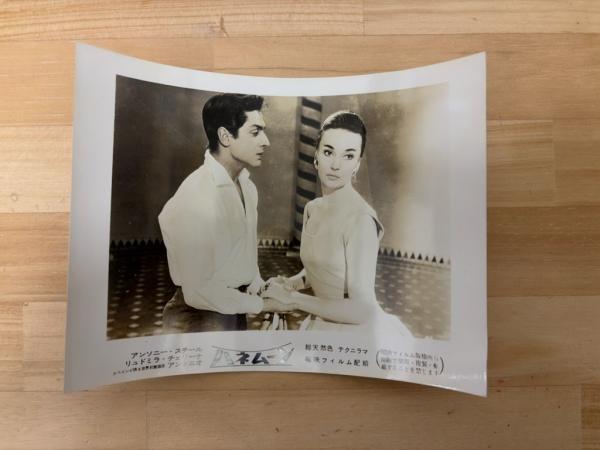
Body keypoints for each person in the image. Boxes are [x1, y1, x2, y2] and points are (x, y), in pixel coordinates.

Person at [263, 111, 412, 336]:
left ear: (357, 165)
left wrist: (293, 299)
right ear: (316, 156)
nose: (335, 165)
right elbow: (323, 269)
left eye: (348, 156)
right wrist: (291, 284)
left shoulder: (361, 220)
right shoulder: (312, 208)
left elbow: (362, 311)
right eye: (328, 152)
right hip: (321, 322)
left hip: (356, 333)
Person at [158, 93, 291, 333]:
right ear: (225, 136)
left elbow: (240, 258)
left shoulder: (247, 187)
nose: (266, 141)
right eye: (255, 132)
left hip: (233, 309)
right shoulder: (196, 195)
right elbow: (198, 291)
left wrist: (261, 288)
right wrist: (263, 305)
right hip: (197, 318)